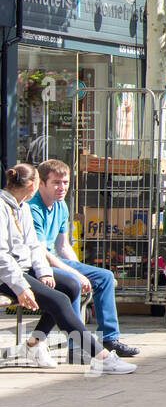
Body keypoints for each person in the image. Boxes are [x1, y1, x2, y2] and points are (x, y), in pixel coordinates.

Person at [0, 164, 135, 374]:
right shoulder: (2, 207)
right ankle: (101, 356)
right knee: (59, 300)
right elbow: (2, 256)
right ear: (34, 184)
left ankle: (33, 347)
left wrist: (44, 272)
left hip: (24, 269)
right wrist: (20, 287)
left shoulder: (23, 206)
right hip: (6, 275)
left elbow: (35, 246)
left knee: (70, 286)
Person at [29, 159, 140, 358]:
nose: (62, 187)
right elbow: (40, 252)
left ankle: (110, 339)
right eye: (56, 182)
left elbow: (63, 246)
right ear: (42, 183)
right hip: (38, 265)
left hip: (55, 260)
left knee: (104, 277)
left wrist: (80, 268)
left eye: (65, 182)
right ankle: (76, 346)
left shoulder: (61, 206)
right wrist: (76, 274)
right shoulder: (33, 208)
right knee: (72, 283)